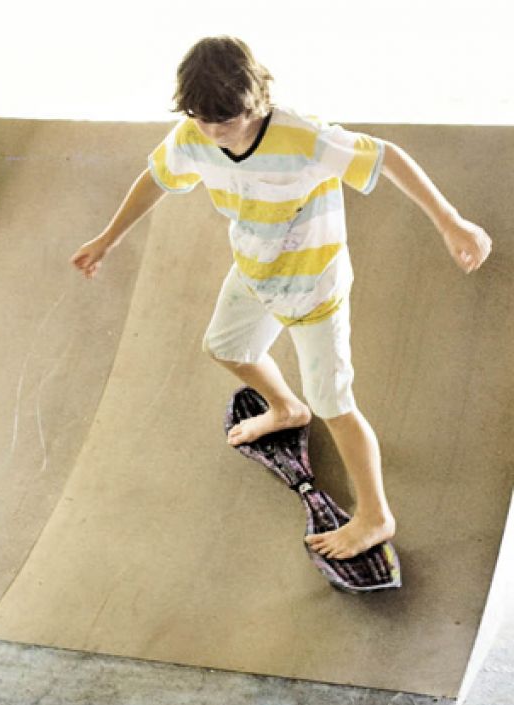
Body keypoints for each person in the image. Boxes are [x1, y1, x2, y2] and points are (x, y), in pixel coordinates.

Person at [70, 36, 492, 560]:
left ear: (255, 103)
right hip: (255, 272)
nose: (214, 133)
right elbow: (155, 178)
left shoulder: (302, 136)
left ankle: (374, 516)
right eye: (202, 120)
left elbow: (388, 158)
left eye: (226, 122)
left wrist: (451, 222)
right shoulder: (193, 135)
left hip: (315, 287)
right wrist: (106, 239)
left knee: (334, 403)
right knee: (226, 347)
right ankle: (286, 408)